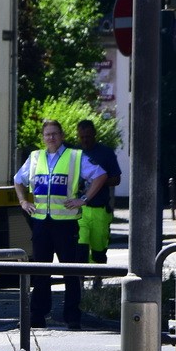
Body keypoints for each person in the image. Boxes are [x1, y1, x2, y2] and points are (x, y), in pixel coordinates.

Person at [14, 119, 108, 329]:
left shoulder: (74, 156)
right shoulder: (35, 157)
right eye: (47, 134)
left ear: (62, 136)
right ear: (43, 137)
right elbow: (18, 179)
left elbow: (100, 175)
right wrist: (22, 201)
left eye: (55, 134)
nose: (51, 138)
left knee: (71, 272)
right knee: (40, 271)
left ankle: (73, 317)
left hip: (66, 225)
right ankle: (38, 316)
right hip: (40, 223)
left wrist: (84, 199)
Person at [76, 119, 122, 289]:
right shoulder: (75, 154)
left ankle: (97, 280)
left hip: (100, 209)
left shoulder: (106, 153)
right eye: (81, 137)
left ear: (94, 134)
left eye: (88, 136)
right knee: (80, 247)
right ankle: (79, 283)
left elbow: (117, 179)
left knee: (99, 248)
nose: (85, 140)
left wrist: (99, 182)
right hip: (80, 209)